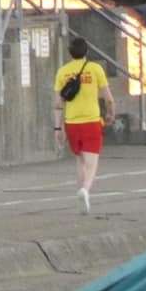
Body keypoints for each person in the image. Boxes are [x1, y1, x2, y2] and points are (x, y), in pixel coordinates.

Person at [53, 37, 115, 215]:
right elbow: (108, 97)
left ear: (70, 53)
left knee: (80, 160)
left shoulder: (62, 72)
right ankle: (85, 189)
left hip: (71, 122)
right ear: (86, 52)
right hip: (91, 121)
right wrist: (110, 113)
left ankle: (81, 191)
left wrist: (58, 128)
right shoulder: (95, 69)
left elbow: (58, 103)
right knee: (92, 162)